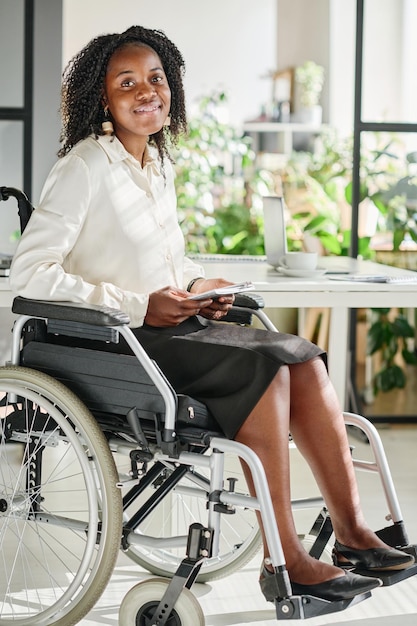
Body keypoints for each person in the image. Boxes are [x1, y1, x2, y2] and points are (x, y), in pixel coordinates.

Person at [9, 25, 414, 603]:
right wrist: (138, 304)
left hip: (173, 328)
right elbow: (31, 274)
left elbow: (159, 263)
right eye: (128, 82)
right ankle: (287, 559)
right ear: (104, 99)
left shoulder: (155, 166)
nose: (147, 91)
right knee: (267, 369)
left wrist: (199, 285)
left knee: (305, 360)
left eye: (156, 78)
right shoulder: (84, 168)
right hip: (122, 344)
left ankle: (352, 535)